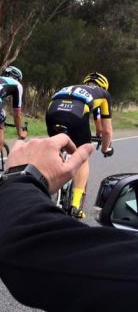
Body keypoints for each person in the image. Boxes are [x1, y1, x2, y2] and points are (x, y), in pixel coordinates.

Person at [0, 134, 138, 312]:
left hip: (55, 127)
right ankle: (76, 203)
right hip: (79, 129)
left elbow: (26, 248)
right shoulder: (102, 100)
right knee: (82, 160)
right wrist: (106, 146)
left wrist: (20, 173)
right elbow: (106, 127)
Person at [45, 72, 114, 218]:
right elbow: (106, 130)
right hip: (75, 115)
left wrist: (98, 131)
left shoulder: (73, 88)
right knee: (82, 156)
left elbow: (98, 126)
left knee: (56, 148)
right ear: (104, 87)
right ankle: (75, 206)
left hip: (52, 112)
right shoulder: (103, 94)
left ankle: (44, 187)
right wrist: (105, 148)